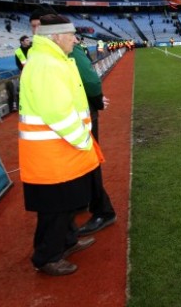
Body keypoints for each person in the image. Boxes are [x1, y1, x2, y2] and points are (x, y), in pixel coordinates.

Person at [18, 14, 102, 276]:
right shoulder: (46, 64)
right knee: (55, 208)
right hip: (53, 152)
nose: (74, 40)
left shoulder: (51, 60)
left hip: (60, 151)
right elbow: (57, 112)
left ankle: (67, 241)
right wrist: (83, 139)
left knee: (68, 203)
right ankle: (47, 257)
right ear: (55, 37)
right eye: (70, 36)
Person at [69, 33, 117, 236]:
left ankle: (101, 209)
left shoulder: (70, 49)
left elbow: (90, 80)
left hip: (81, 116)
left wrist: (97, 101)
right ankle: (86, 201)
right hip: (74, 116)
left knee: (88, 162)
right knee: (81, 163)